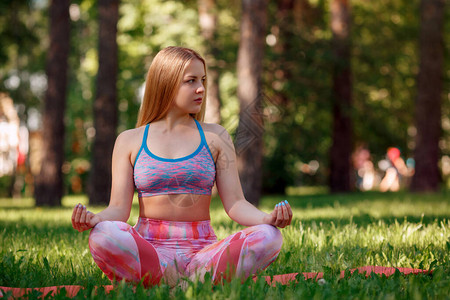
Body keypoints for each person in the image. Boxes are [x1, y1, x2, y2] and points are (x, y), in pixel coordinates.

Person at [71, 46, 293, 287]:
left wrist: (266, 218)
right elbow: (118, 209)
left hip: (203, 254)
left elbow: (236, 203)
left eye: (203, 80)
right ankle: (189, 283)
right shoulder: (130, 140)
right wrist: (96, 219)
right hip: (152, 253)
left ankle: (177, 282)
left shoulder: (216, 136)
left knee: (269, 236)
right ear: (165, 82)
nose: (201, 88)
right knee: (103, 235)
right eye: (191, 81)